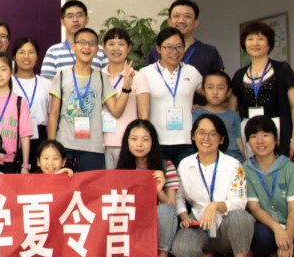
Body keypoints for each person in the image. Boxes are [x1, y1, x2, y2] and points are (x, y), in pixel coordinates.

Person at [172, 115, 256, 257]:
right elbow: (178, 196)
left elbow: (240, 200)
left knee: (242, 217)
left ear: (221, 139)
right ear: (193, 136)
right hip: (198, 223)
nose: (206, 138)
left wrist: (216, 206)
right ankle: (205, 255)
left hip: (226, 224)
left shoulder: (234, 165)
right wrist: (184, 216)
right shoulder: (185, 164)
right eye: (201, 133)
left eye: (213, 134)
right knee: (181, 249)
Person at [47, 28, 132, 171]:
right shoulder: (61, 76)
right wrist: (51, 146)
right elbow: (53, 114)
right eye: (82, 43)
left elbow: (116, 111)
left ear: (97, 50)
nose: (87, 47)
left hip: (93, 148)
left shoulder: (102, 78)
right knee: (62, 184)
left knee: (90, 185)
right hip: (64, 146)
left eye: (92, 44)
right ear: (74, 47)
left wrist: (126, 87)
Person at [244, 116, 294, 257]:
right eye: (253, 136)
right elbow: (254, 208)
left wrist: (287, 238)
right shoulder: (245, 169)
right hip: (265, 225)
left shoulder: (290, 168)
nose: (260, 141)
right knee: (261, 236)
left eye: (265, 135)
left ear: (275, 139)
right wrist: (277, 229)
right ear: (248, 142)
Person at [231, 21, 294, 161]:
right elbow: (232, 111)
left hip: (278, 130)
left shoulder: (283, 70)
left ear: (269, 43)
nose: (255, 43)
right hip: (249, 133)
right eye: (250, 39)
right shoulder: (239, 75)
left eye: (260, 39)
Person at [116, 119, 179, 257]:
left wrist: (158, 190)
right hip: (132, 222)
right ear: (127, 141)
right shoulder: (121, 168)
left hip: (156, 223)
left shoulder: (166, 166)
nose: (139, 144)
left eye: (145, 139)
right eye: (134, 139)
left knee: (165, 209)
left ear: (153, 142)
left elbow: (171, 207)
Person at [136, 27, 204, 168]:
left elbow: (211, 94)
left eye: (179, 47)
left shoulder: (192, 72)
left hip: (186, 142)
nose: (174, 52)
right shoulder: (145, 73)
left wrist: (201, 108)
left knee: (186, 181)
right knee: (159, 180)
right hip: (156, 142)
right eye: (169, 47)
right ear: (158, 49)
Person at [144, 0, 225, 98]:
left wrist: (206, 106)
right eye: (176, 16)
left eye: (187, 16)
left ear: (196, 22)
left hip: (200, 108)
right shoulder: (156, 50)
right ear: (169, 21)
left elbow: (221, 86)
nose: (181, 20)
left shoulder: (209, 52)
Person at [101, 27, 140, 170]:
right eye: (111, 44)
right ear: (104, 47)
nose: (116, 48)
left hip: (128, 144)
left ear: (129, 48)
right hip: (100, 143)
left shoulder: (139, 77)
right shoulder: (98, 76)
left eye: (121, 44)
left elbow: (143, 116)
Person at [40, 0, 107, 79]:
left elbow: (107, 80)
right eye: (70, 16)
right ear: (62, 22)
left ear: (87, 19)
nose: (75, 20)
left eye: (79, 15)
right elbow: (47, 83)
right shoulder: (53, 52)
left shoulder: (100, 51)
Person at [195, 71, 245, 162]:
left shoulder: (234, 115)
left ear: (229, 92)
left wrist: (246, 162)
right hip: (206, 161)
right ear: (203, 90)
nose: (215, 92)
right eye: (210, 87)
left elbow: (239, 141)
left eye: (220, 88)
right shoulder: (196, 113)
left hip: (233, 160)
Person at [12, 36, 51, 144]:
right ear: (14, 57)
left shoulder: (47, 84)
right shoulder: (7, 83)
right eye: (22, 52)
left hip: (41, 135)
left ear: (37, 56)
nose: (26, 56)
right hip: (14, 133)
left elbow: (51, 115)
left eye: (31, 52)